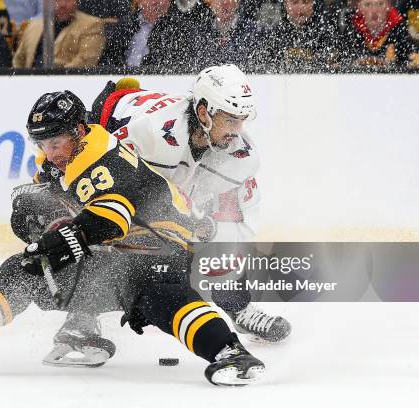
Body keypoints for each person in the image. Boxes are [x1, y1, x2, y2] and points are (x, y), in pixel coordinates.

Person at [0, 90, 265, 386]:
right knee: (24, 272)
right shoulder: (64, 158)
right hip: (118, 254)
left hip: (164, 244)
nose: (49, 153)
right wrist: (39, 226)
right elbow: (44, 208)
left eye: (55, 143)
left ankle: (231, 353)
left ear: (79, 131)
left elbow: (109, 220)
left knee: (159, 293)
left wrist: (59, 244)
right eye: (42, 144)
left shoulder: (101, 156)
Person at [44, 65, 292, 367]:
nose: (236, 130)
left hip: (170, 160)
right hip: (112, 123)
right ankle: (81, 316)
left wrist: (204, 236)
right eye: (229, 118)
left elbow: (232, 228)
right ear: (203, 112)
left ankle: (238, 309)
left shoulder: (241, 157)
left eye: (242, 119)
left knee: (207, 231)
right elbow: (106, 174)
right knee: (109, 220)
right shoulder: (150, 133)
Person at [98, 0, 218, 72]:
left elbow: (178, 65)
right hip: (122, 80)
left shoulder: (180, 29)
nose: (157, 2)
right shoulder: (124, 25)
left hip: (155, 83)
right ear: (140, 1)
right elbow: (108, 57)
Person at [12, 0, 105, 68]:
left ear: (77, 1)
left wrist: (56, 76)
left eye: (68, 0)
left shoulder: (92, 24)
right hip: (30, 84)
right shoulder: (33, 26)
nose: (62, 4)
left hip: (67, 86)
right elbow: (19, 61)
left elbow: (86, 62)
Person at [337, 0, 419, 67]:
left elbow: (412, 58)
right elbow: (342, 60)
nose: (374, 10)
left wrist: (396, 62)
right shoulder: (352, 29)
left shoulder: (398, 28)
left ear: (388, 6)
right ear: (359, 7)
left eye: (380, 4)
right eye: (367, 4)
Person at [266, 0, 337, 70]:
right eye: (294, 2)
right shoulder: (274, 35)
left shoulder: (329, 34)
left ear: (314, 3)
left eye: (306, 2)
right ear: (285, 4)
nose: (300, 7)